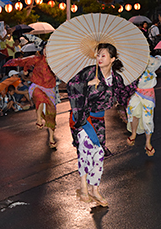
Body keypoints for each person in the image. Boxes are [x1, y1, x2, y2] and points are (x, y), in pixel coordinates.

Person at [67, 43, 138, 207]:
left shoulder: (116, 78)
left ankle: (95, 189)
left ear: (112, 59)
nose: (99, 58)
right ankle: (84, 187)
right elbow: (72, 85)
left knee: (98, 155)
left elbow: (123, 94)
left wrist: (137, 80)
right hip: (83, 117)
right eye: (98, 55)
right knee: (86, 150)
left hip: (99, 120)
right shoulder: (89, 72)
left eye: (103, 55)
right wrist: (86, 85)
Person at [3, 35, 57, 148]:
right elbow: (25, 62)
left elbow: (63, 71)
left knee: (51, 115)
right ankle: (38, 119)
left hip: (50, 89)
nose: (47, 51)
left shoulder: (56, 62)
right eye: (45, 49)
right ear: (42, 50)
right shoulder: (37, 59)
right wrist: (25, 70)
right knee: (40, 97)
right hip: (37, 86)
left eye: (49, 49)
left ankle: (51, 139)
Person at [126, 55, 161, 156]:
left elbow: (158, 61)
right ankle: (133, 133)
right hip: (136, 92)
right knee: (133, 112)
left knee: (148, 120)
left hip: (148, 95)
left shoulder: (152, 61)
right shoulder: (132, 62)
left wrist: (146, 57)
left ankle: (148, 142)